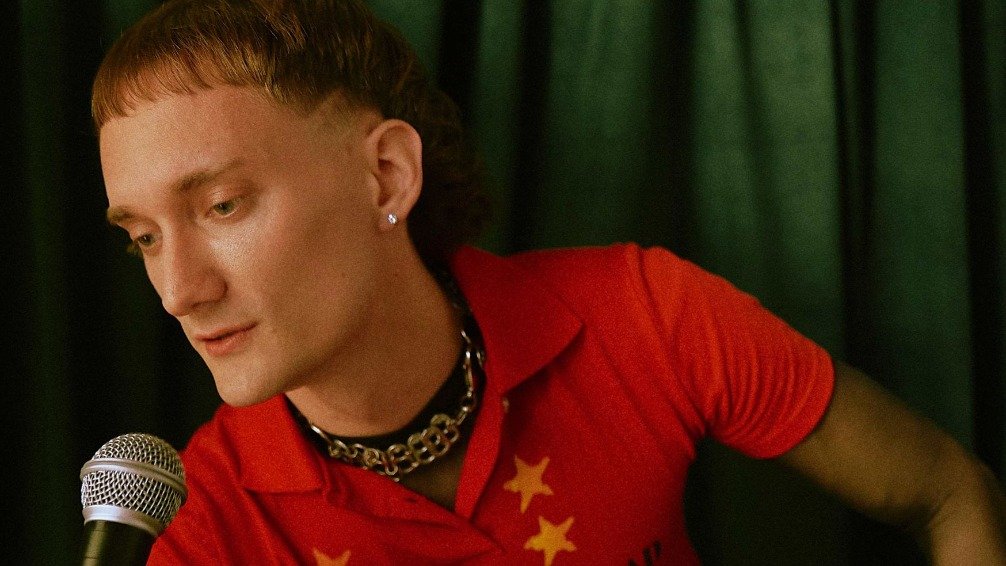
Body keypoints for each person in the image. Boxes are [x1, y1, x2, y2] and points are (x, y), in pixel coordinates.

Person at [93, 0, 1006, 564]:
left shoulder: (643, 314)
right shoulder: (201, 527)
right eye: (142, 238)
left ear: (385, 177)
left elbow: (948, 492)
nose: (177, 291)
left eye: (221, 206)